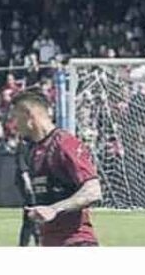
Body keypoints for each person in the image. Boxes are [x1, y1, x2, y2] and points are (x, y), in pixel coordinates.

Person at [9, 89, 101, 246]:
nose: (14, 124)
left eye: (16, 118)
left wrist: (54, 209)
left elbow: (93, 191)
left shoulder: (64, 143)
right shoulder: (33, 150)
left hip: (76, 243)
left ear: (29, 115)